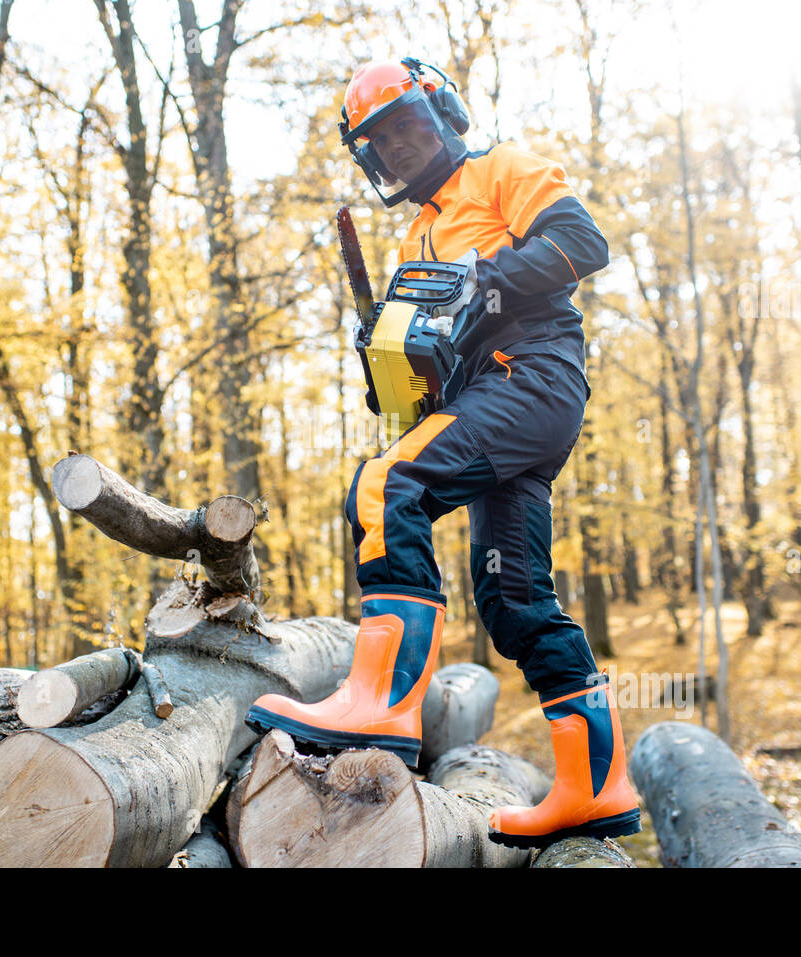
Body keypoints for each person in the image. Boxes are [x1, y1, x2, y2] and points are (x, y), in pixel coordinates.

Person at [246, 58, 640, 845]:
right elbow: (418, 388)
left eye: (405, 125)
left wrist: (479, 283)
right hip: (485, 398)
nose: (395, 146)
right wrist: (386, 355)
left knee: (385, 485)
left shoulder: (503, 169)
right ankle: (596, 784)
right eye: (378, 141)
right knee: (515, 602)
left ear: (443, 111)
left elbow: (581, 242)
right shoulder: (416, 235)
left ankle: (384, 699)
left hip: (532, 370)